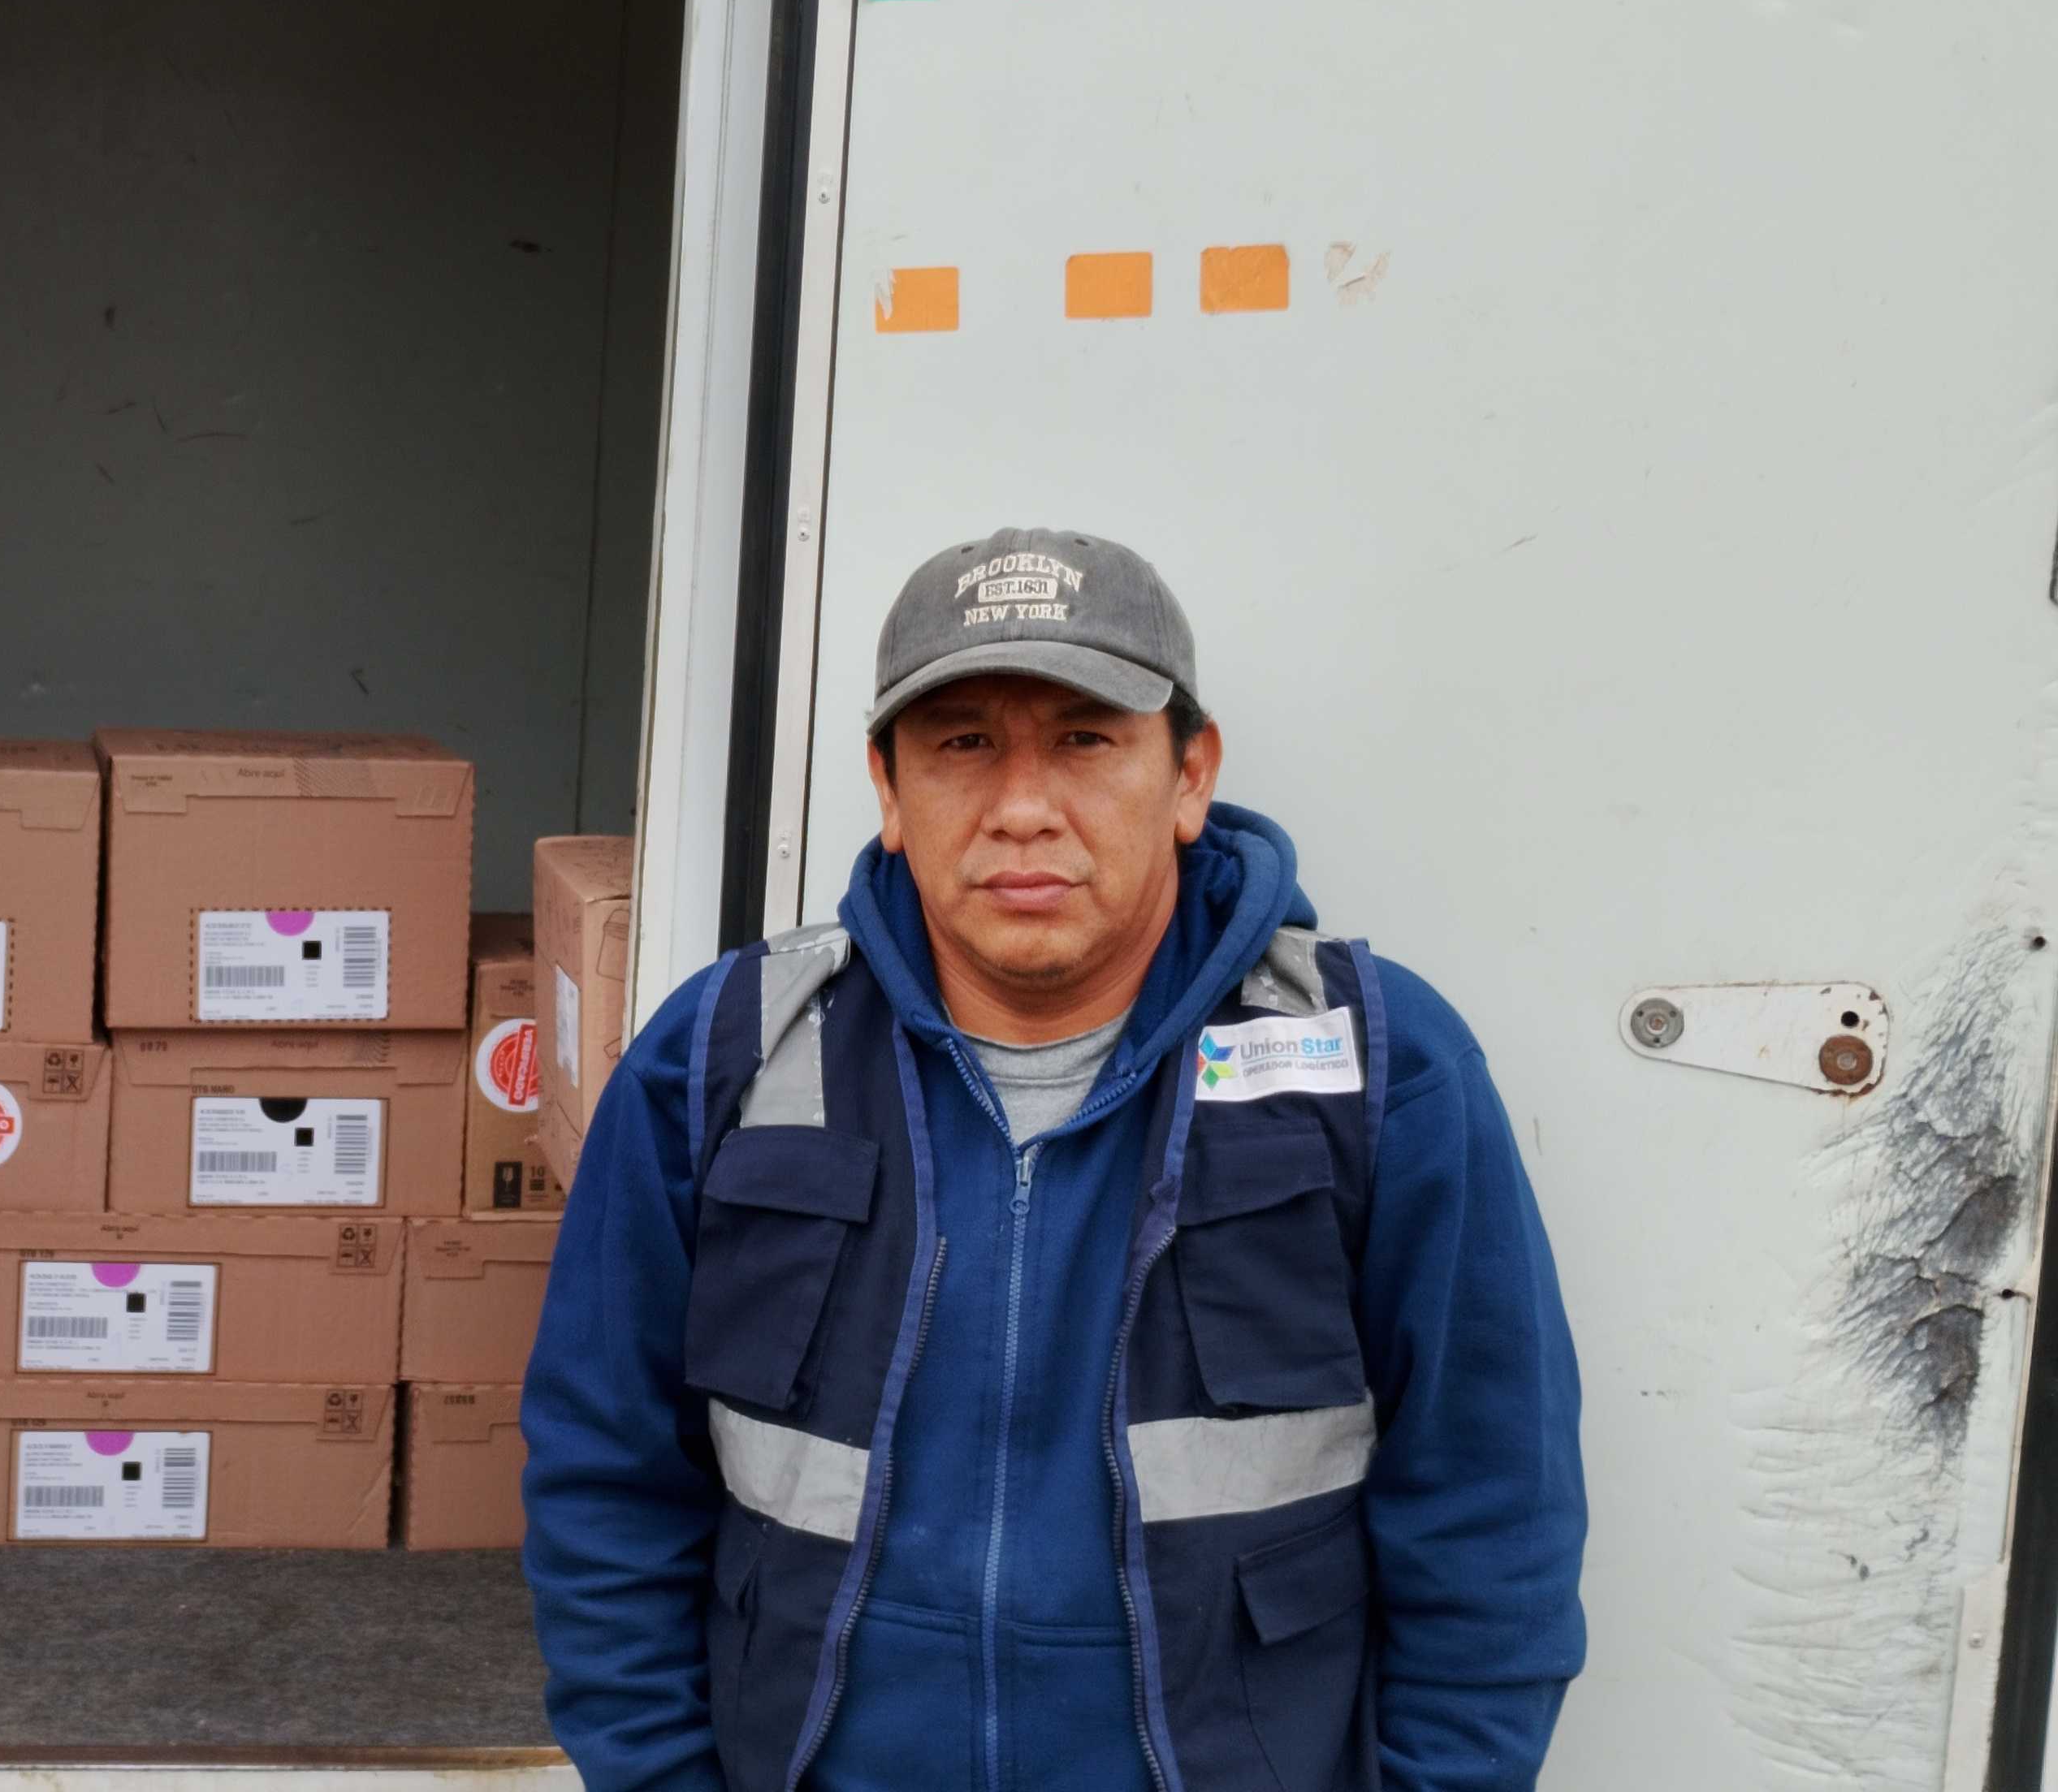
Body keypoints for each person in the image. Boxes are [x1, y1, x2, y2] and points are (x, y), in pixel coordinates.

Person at [520, 529, 1586, 1792]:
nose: (1023, 808)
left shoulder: (1380, 1067)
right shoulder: (722, 1054)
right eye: (963, 743)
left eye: (1086, 739)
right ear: (888, 788)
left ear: (1190, 776)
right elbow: (605, 1475)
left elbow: (1491, 1515)